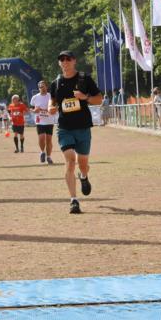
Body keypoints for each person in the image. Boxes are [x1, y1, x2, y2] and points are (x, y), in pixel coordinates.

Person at [48, 49, 103, 214]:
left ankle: (84, 177)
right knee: (71, 161)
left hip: (83, 128)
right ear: (59, 63)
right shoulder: (56, 83)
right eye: (61, 59)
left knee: (83, 164)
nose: (64, 62)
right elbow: (52, 103)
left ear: (74, 61)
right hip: (64, 128)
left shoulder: (84, 79)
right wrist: (51, 108)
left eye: (68, 59)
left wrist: (84, 97)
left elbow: (99, 99)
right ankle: (74, 200)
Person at [30, 80, 55, 164]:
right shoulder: (35, 97)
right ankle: (42, 152)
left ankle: (49, 157)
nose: (42, 88)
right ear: (38, 88)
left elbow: (55, 107)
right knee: (41, 138)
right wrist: (34, 110)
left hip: (49, 121)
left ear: (46, 87)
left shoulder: (51, 96)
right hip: (39, 121)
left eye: (43, 86)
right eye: (40, 87)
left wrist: (51, 110)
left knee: (48, 140)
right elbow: (32, 109)